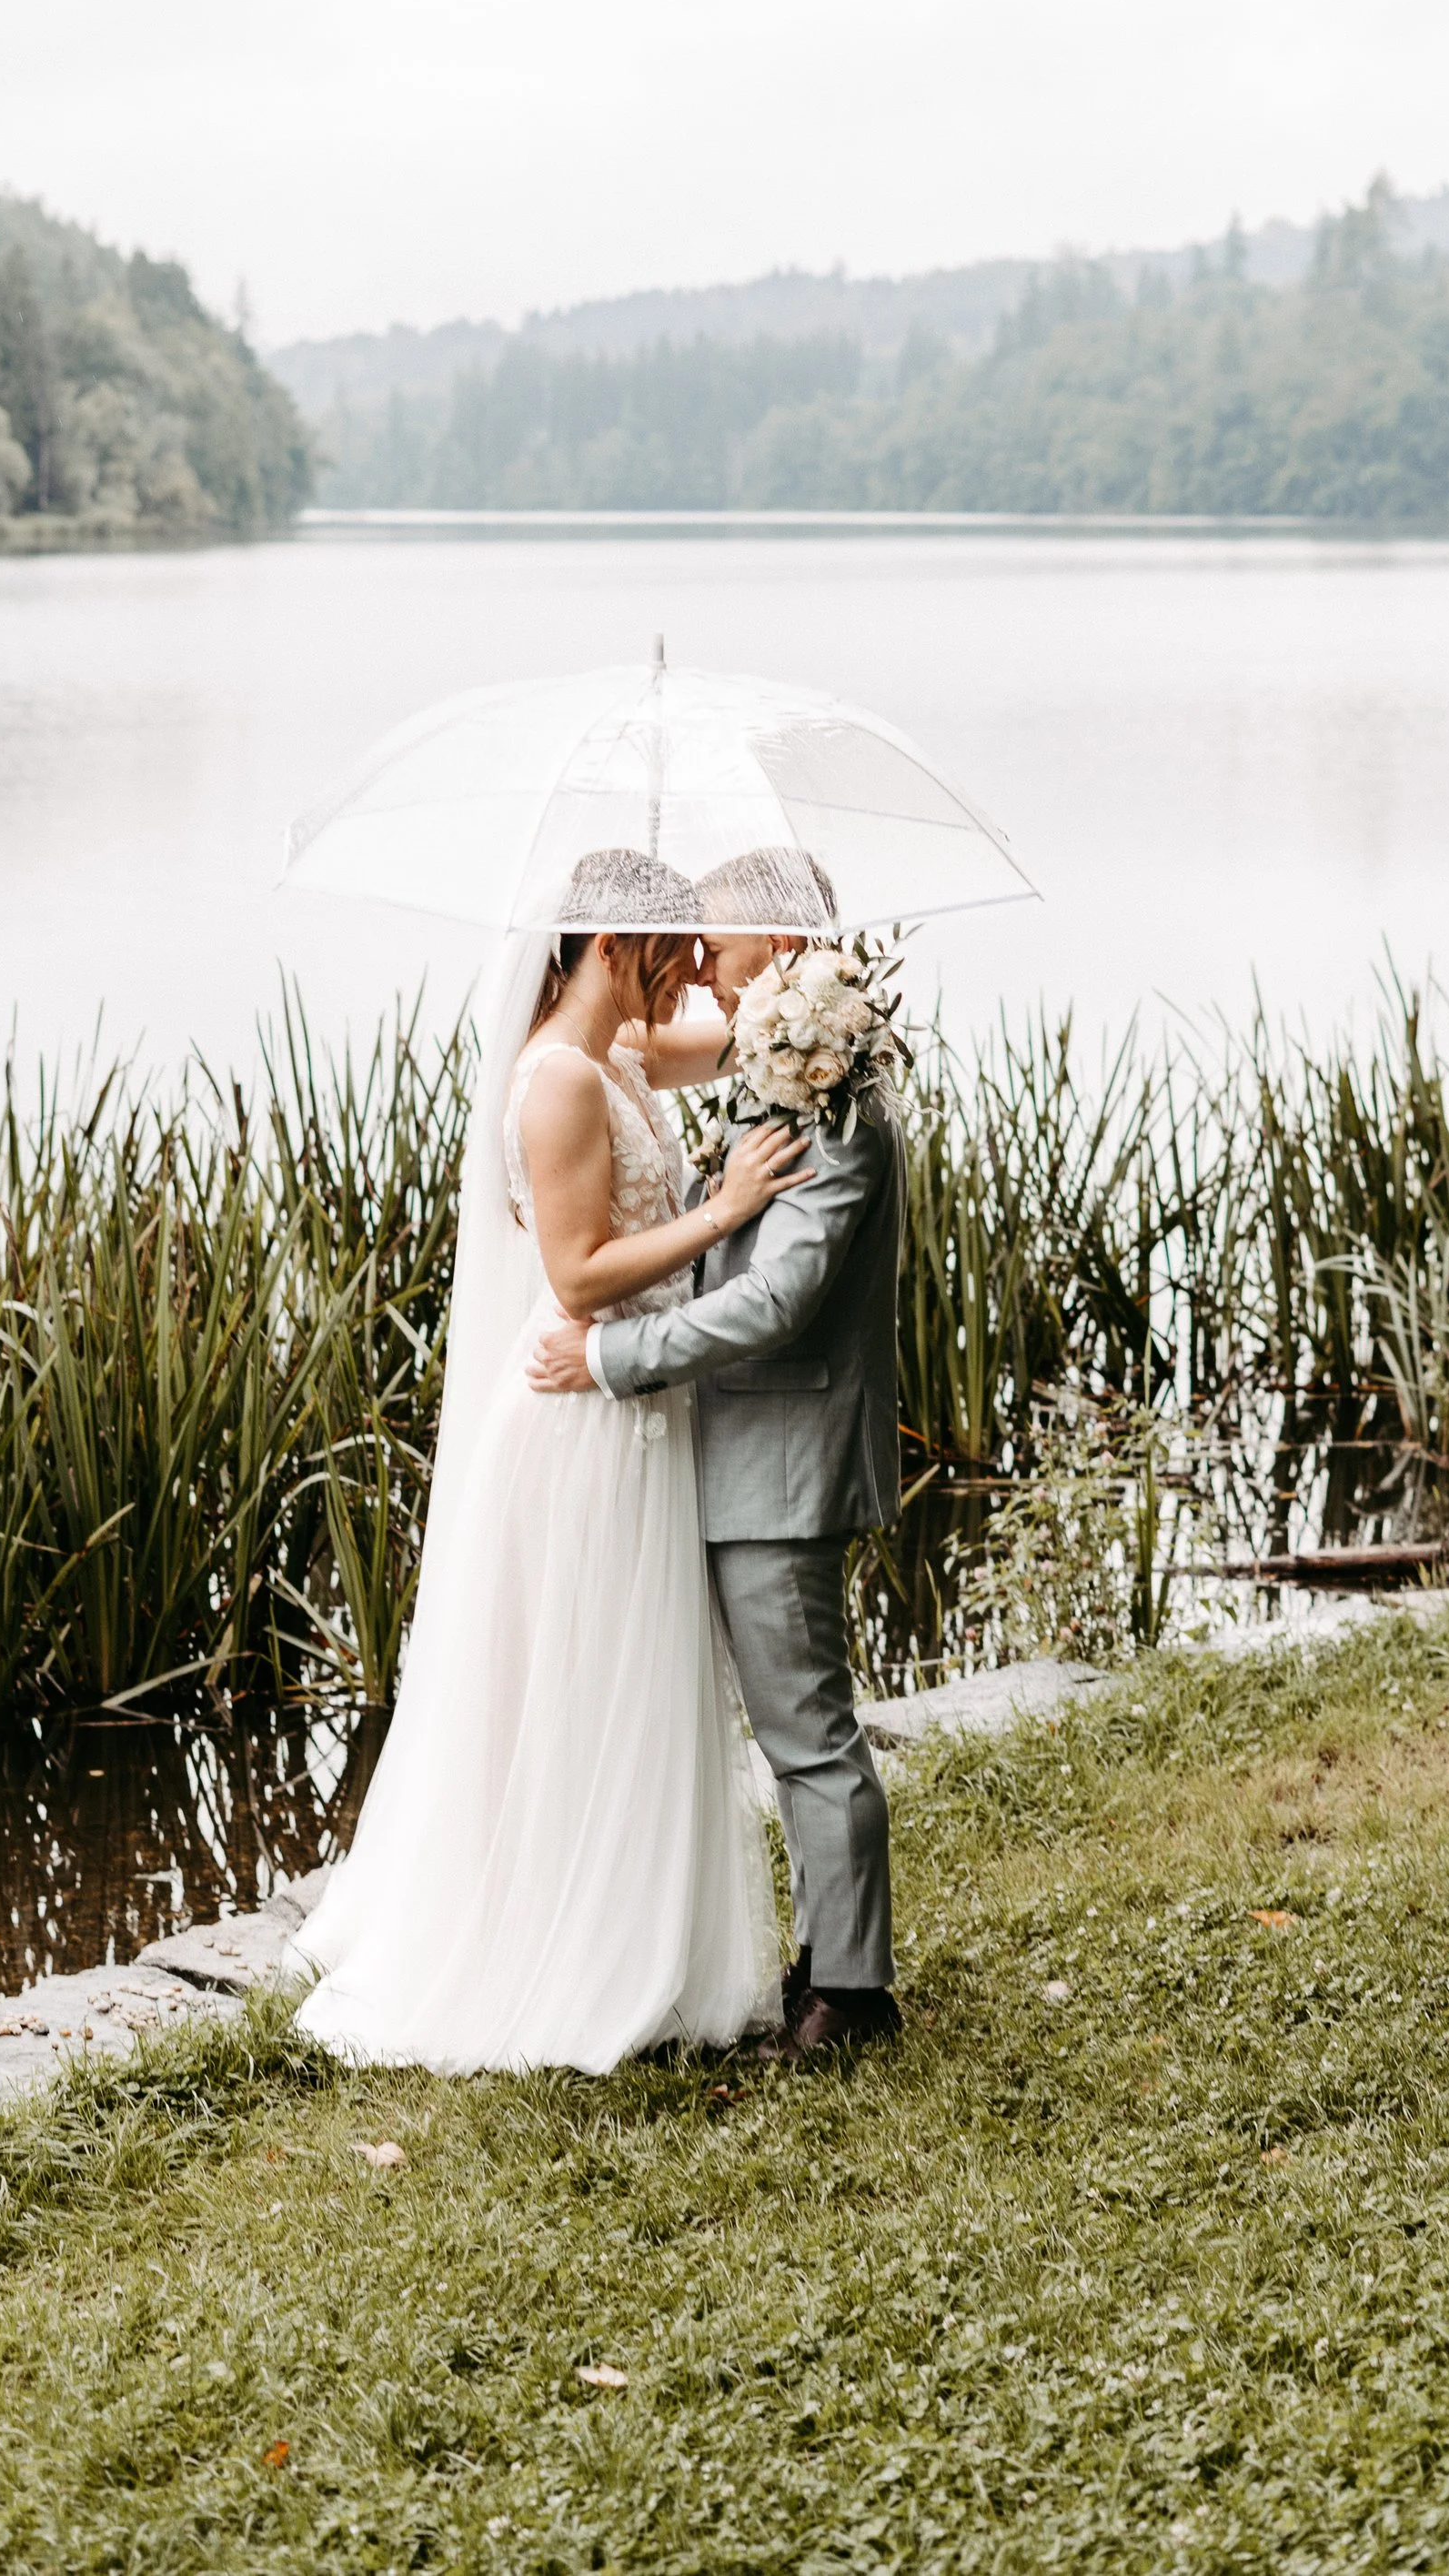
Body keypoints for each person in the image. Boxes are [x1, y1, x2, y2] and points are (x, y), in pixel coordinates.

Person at [290, 850, 811, 2072]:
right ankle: (566, 1944)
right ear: (610, 948)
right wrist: (723, 1212)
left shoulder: (622, 1053)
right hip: (581, 1410)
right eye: (671, 950)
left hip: (635, 1393)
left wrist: (807, 984)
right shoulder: (558, 1082)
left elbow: (744, 1041)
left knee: (637, 1666)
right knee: (587, 1665)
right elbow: (576, 1273)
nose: (690, 975)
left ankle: (641, 1931)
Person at [526, 847, 904, 2061]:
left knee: (808, 1734)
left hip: (782, 1460)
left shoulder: (831, 1101)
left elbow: (778, 1298)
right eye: (686, 943)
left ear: (781, 952)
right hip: (745, 1449)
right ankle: (827, 1960)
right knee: (796, 1731)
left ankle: (848, 1997)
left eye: (721, 946)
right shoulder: (783, 1072)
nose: (704, 966)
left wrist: (613, 1360)